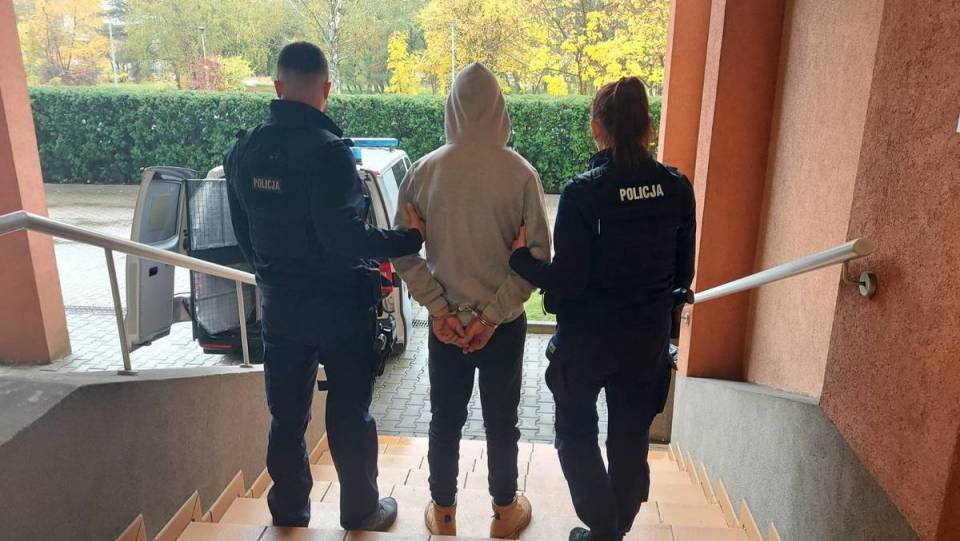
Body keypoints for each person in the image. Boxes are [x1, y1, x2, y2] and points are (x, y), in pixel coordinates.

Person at [223, 42, 426, 530]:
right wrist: (409, 239)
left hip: (280, 306)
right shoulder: (330, 153)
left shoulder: (244, 150)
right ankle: (361, 512)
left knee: (287, 416)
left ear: (278, 86)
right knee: (350, 412)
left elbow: (243, 231)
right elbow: (346, 239)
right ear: (326, 89)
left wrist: (272, 275)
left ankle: (290, 513)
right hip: (340, 307)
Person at [508, 77, 696, 541]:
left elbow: (568, 281)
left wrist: (520, 260)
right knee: (630, 439)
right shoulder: (676, 188)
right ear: (648, 127)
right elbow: (682, 274)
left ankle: (603, 529)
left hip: (586, 343)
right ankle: (616, 530)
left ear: (597, 128)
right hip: (646, 342)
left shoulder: (583, 193)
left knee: (575, 432)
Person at [392, 63, 551, 538]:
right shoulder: (522, 174)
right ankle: (504, 513)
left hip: (445, 327)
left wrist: (440, 310)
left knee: (445, 421)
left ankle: (444, 515)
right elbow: (538, 259)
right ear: (500, 110)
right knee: (503, 423)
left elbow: (402, 251)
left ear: (452, 109)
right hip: (503, 326)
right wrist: (492, 316)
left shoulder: (424, 171)